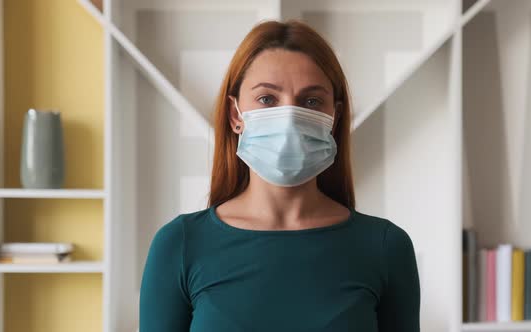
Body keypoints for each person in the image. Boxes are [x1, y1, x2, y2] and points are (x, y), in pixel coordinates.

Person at [139, 19, 420, 332]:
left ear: (334, 116)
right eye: (267, 99)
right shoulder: (179, 245)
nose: (288, 118)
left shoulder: (385, 247)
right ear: (235, 115)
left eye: (311, 101)